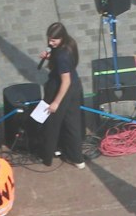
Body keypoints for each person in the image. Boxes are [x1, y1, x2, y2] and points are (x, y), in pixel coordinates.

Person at [34, 22, 86, 168]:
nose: (50, 43)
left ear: (61, 37)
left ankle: (50, 151)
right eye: (49, 39)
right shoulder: (70, 44)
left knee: (50, 122)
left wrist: (56, 102)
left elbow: (65, 80)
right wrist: (51, 57)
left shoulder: (62, 56)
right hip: (75, 87)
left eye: (54, 40)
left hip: (61, 88)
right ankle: (76, 158)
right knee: (72, 122)